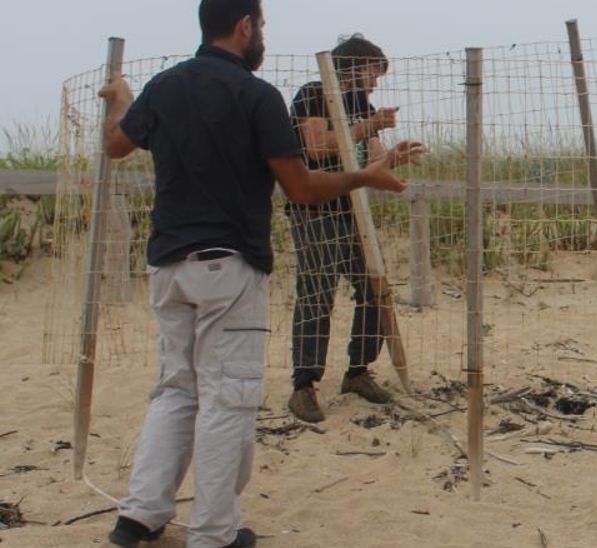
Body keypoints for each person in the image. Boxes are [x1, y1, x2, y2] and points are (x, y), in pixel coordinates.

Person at [97, 1, 418, 546]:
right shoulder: (257, 95)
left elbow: (115, 144)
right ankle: (215, 531)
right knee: (228, 398)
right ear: (245, 26)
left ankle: (141, 515)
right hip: (228, 265)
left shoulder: (165, 85)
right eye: (262, 25)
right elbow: (300, 186)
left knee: (176, 388)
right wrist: (363, 176)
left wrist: (122, 100)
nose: (263, 35)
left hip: (168, 263)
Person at [285, 34, 418, 423]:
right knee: (317, 296)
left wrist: (395, 156)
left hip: (354, 213)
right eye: (373, 72)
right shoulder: (314, 94)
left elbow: (372, 162)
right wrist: (368, 126)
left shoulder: (364, 107)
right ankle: (304, 385)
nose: (376, 82)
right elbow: (317, 146)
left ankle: (358, 372)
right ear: (355, 67)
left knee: (374, 289)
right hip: (316, 211)